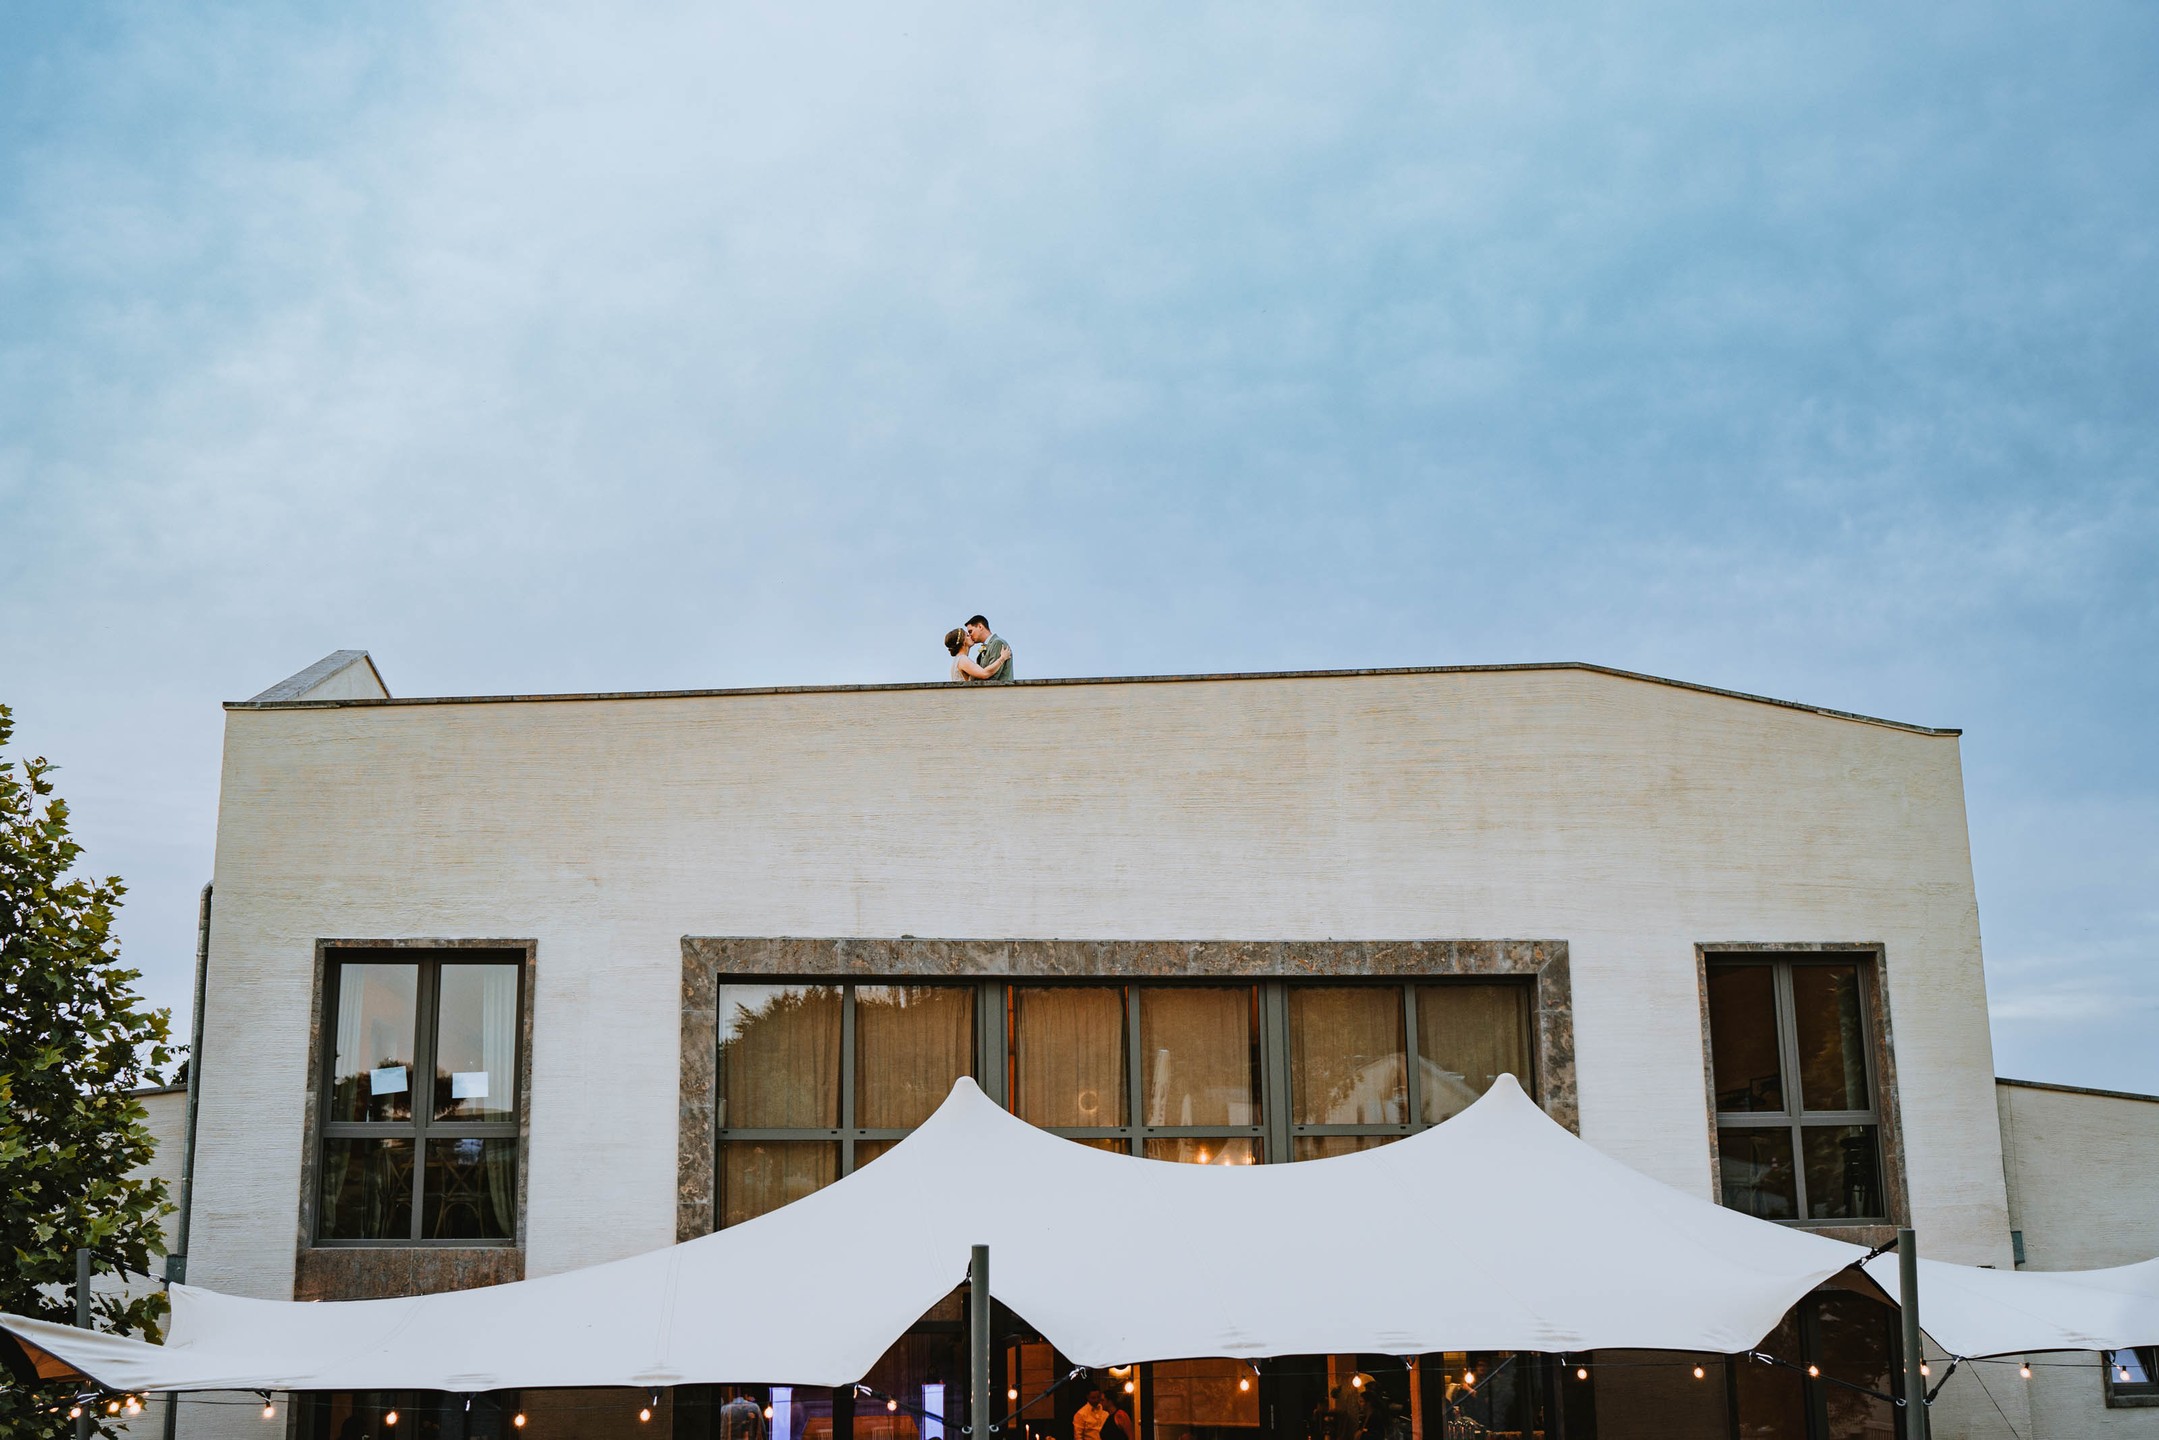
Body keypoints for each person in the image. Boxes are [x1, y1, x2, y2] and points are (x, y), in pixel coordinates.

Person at [965, 615, 1014, 683]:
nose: (970, 636)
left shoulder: (997, 643)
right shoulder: (988, 646)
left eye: (970, 631)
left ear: (980, 627)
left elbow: (992, 676)